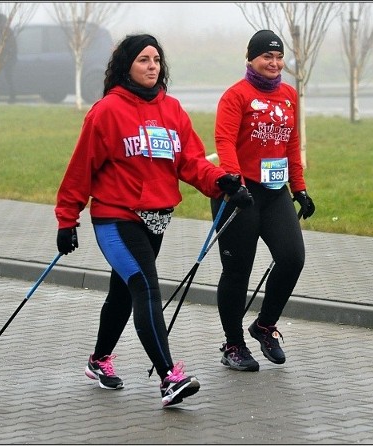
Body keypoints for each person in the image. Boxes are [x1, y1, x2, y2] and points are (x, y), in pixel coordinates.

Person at [54, 33, 253, 407]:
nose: (152, 67)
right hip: (116, 218)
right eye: (144, 60)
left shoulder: (172, 109)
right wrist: (67, 219)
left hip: (157, 219)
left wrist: (223, 183)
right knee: (145, 288)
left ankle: (98, 361)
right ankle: (169, 378)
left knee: (122, 293)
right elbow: (81, 169)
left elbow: (190, 162)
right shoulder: (107, 111)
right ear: (126, 65)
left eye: (157, 61)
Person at [210, 30, 315, 372]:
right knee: (238, 271)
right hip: (240, 194)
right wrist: (235, 182)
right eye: (265, 57)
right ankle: (233, 344)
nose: (273, 63)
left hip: (274, 193)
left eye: (277, 56)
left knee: (292, 257)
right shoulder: (236, 95)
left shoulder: (287, 94)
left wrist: (299, 188)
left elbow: (291, 144)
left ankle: (264, 326)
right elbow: (224, 141)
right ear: (251, 60)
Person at [0, 13, 17, 103]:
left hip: (7, 59)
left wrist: (0, 47)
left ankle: (12, 97)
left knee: (8, 78)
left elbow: (12, 46)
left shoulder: (8, 32)